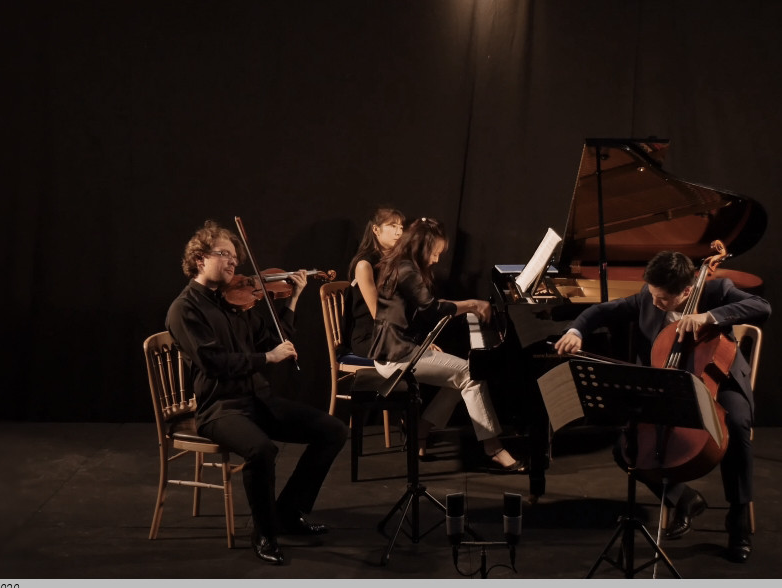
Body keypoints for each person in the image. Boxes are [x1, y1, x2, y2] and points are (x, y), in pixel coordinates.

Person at [553, 250, 770, 563]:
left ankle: (737, 519)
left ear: (685, 290)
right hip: (669, 381)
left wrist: (708, 317)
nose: (654, 303)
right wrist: (576, 331)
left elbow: (761, 307)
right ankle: (683, 498)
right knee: (628, 448)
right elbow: (601, 311)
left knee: (735, 427)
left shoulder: (716, 292)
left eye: (663, 300)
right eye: (652, 295)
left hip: (717, 380)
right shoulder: (648, 296)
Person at [166, 220, 348, 565]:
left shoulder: (236, 302)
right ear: (200, 258)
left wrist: (293, 300)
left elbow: (272, 341)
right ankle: (265, 533)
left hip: (259, 399)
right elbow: (214, 362)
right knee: (262, 450)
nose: (234, 263)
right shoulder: (185, 309)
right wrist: (267, 358)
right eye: (225, 255)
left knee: (334, 430)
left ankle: (288, 512)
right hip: (220, 408)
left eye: (236, 257)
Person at [367, 217, 524, 472]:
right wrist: (473, 304)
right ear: (421, 246)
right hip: (395, 355)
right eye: (435, 252)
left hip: (399, 349)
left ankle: (421, 431)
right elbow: (432, 309)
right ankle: (493, 448)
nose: (437, 260)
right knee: (471, 375)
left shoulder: (402, 263)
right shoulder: (406, 269)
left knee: (460, 376)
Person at [337, 207, 406, 366]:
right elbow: (379, 314)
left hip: (388, 335)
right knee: (417, 358)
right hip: (368, 338)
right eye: (392, 226)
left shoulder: (393, 262)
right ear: (376, 229)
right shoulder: (364, 264)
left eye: (401, 227)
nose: (399, 233)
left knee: (430, 356)